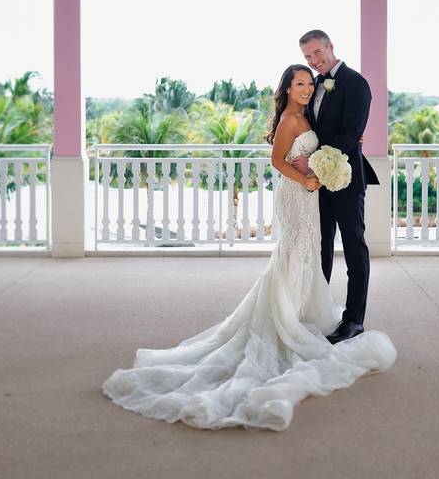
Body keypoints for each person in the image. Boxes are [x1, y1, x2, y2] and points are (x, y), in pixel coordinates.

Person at [101, 64, 396, 432]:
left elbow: (331, 138)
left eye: (308, 83)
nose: (306, 89)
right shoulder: (291, 119)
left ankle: (301, 308)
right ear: (287, 89)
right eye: (299, 83)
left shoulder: (307, 116)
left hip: (308, 196)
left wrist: (327, 161)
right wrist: (307, 177)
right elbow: (277, 161)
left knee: (307, 252)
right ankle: (283, 315)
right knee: (293, 251)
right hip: (297, 195)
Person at [293, 29, 381, 344]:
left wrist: (311, 160)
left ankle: (354, 320)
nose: (314, 61)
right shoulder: (313, 84)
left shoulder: (357, 83)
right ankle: (320, 310)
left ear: (331, 46)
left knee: (354, 247)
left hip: (346, 177)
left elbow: (349, 134)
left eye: (317, 53)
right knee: (321, 246)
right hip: (319, 180)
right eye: (307, 57)